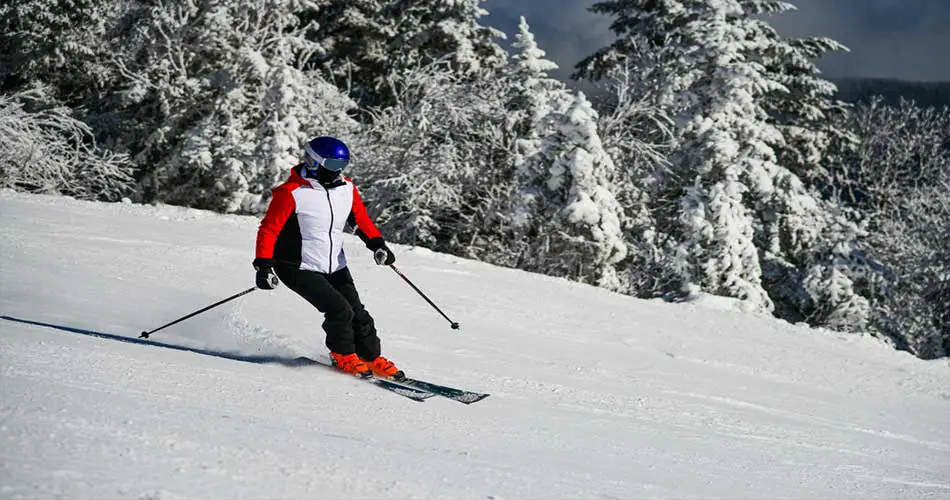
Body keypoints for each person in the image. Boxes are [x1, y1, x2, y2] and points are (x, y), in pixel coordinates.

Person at [253, 136, 403, 380]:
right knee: (339, 310)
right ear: (314, 161)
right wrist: (263, 265)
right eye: (333, 166)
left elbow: (360, 219)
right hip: (297, 266)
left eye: (342, 166)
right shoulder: (292, 193)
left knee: (359, 313)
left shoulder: (347, 189)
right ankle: (343, 354)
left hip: (334, 264)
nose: (338, 172)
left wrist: (377, 244)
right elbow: (269, 230)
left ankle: (370, 357)